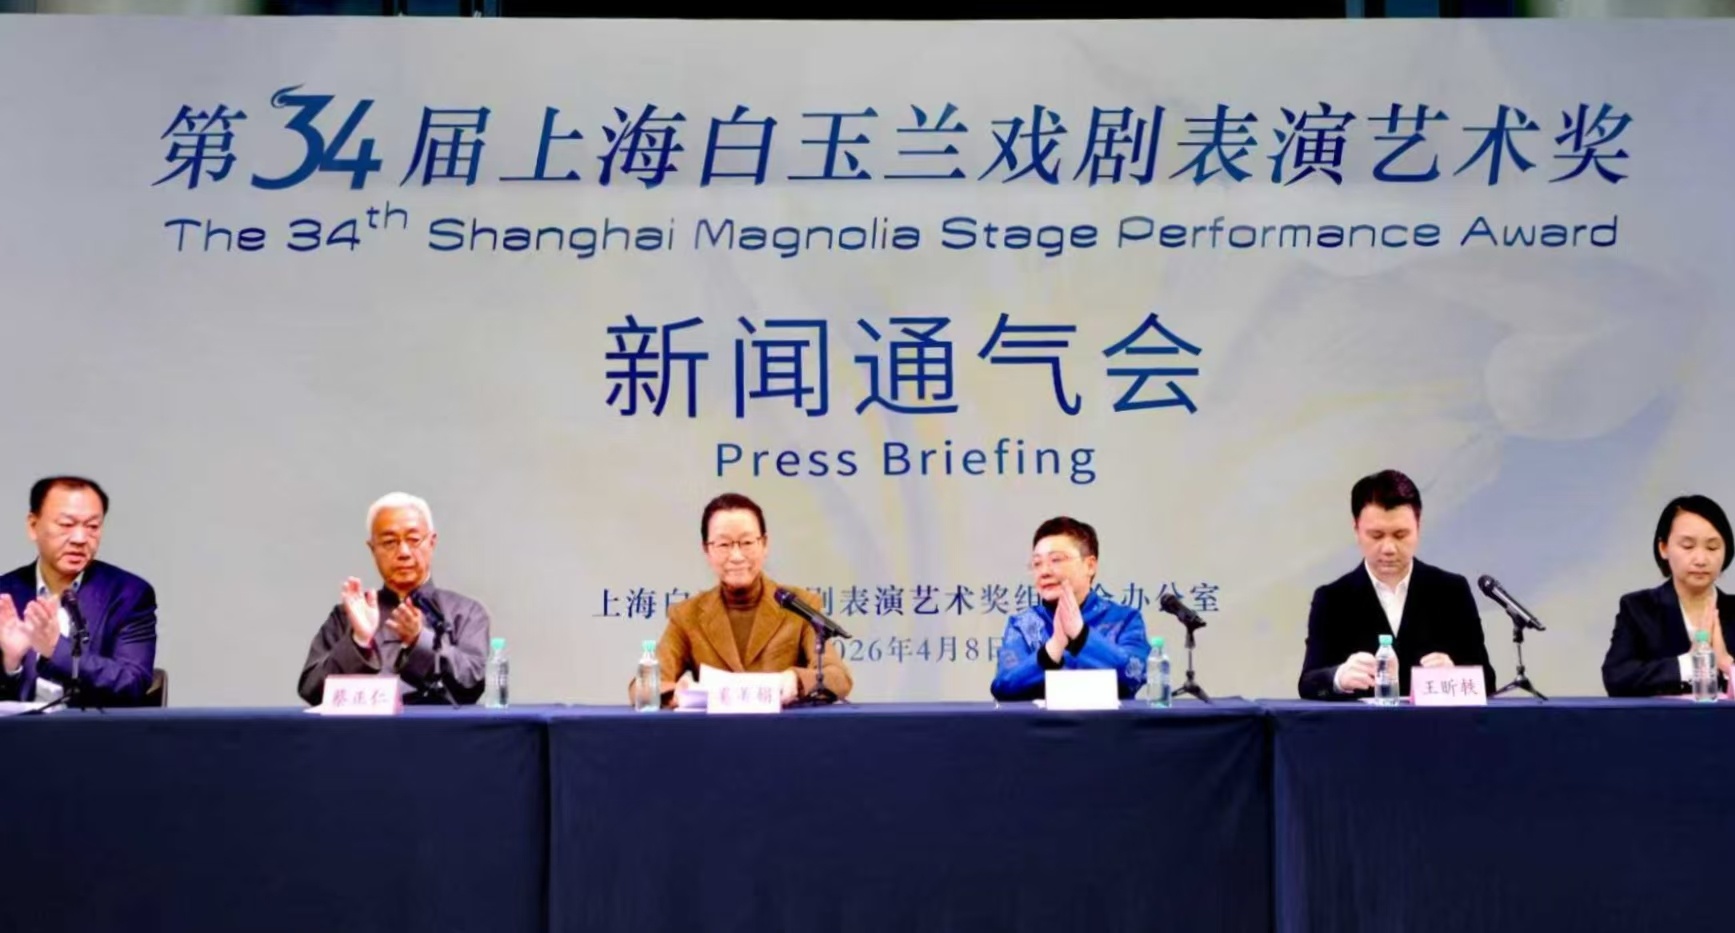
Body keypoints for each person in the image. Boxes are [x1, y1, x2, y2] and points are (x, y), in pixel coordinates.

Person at [1297, 469, 1495, 700]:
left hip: (1435, 722)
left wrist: (1454, 674)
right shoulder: (1333, 599)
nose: (1389, 548)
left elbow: (1488, 681)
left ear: (1418, 528)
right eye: (1376, 536)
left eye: (1400, 535)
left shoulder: (1451, 592)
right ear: (1356, 530)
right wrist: (1338, 677)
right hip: (1361, 723)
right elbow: (1308, 682)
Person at [641, 493, 852, 708]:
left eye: (747, 542)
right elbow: (644, 687)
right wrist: (675, 693)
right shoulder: (687, 615)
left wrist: (796, 679)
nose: (736, 556)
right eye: (723, 544)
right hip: (714, 729)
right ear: (707, 550)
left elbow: (839, 677)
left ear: (764, 544)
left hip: (783, 728)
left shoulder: (799, 606)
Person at [298, 492, 491, 705]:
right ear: (373, 549)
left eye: (414, 540)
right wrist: (358, 642)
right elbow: (311, 690)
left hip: (435, 726)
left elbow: (472, 685)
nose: (404, 552)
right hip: (365, 727)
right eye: (390, 542)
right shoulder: (349, 615)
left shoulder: (465, 613)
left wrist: (420, 641)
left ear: (432, 542)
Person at [0, 476, 158, 706]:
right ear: (33, 526)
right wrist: (10, 663)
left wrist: (57, 649)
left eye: (92, 526)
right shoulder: (5, 594)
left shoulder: (129, 595)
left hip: (90, 727)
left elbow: (132, 683)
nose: (80, 539)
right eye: (66, 525)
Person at [990, 516, 1150, 702]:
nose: (1044, 572)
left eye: (1056, 560)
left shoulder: (1125, 619)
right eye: (1037, 563)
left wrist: (1081, 636)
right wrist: (1054, 647)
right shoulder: (1022, 625)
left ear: (1090, 565)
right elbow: (1003, 687)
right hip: (1041, 722)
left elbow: (1136, 673)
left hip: (1109, 721)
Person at [1602, 494, 1735, 696]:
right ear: (1663, 548)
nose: (1701, 559)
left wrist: (1726, 665)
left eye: (1712, 547)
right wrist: (1690, 664)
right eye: (1688, 546)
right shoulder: (1639, 608)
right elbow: (1617, 677)